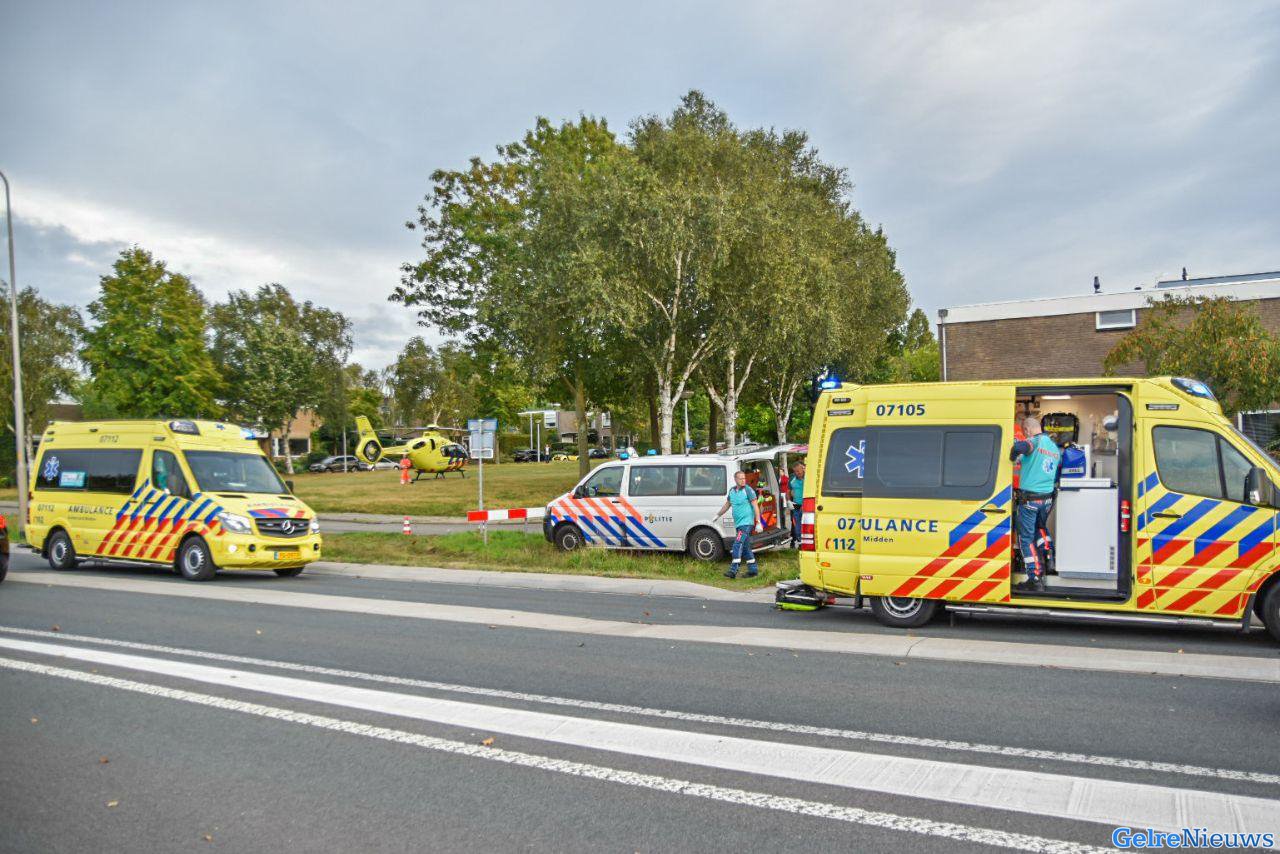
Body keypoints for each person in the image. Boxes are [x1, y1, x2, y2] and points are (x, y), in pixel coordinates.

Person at [1009, 416, 1061, 592]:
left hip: (1030, 500)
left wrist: (1012, 455)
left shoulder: (1034, 442)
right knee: (1041, 528)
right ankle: (1049, 557)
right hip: (1046, 500)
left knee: (1025, 538)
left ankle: (1035, 578)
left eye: (1025, 432)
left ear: (1028, 430)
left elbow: (1020, 447)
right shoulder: (1054, 447)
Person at [715, 470, 759, 578]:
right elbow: (727, 504)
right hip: (738, 523)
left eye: (744, 478)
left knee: (737, 543)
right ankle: (753, 570)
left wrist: (758, 522)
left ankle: (733, 570)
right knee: (745, 547)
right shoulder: (732, 491)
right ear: (735, 480)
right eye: (741, 478)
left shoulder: (748, 490)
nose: (743, 480)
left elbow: (755, 506)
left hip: (746, 523)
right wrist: (718, 515)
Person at [788, 461, 806, 548]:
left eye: (798, 471)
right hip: (795, 506)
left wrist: (805, 504)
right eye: (795, 471)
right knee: (796, 526)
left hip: (806, 506)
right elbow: (788, 490)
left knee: (806, 526)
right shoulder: (792, 479)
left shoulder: (808, 478)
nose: (797, 473)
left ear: (803, 469)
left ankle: (807, 543)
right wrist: (788, 501)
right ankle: (799, 543)